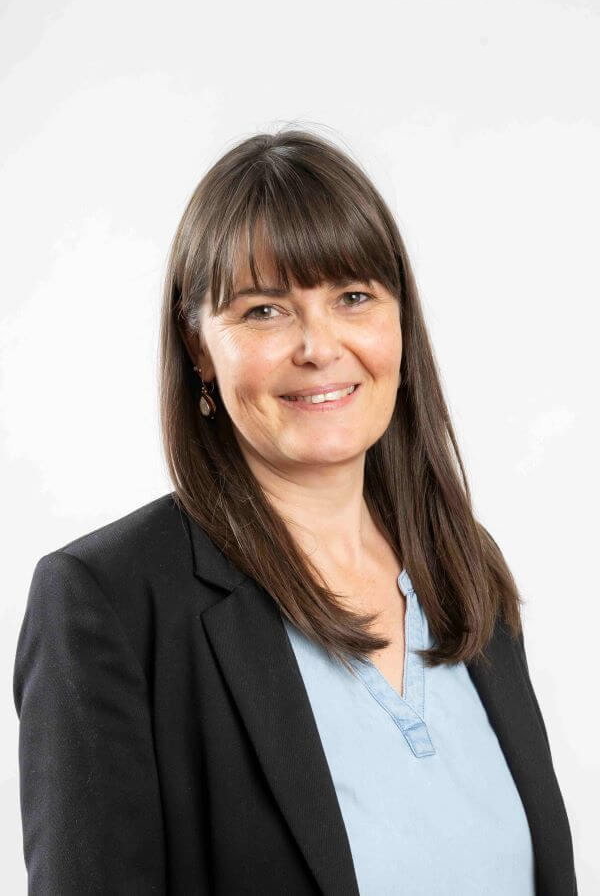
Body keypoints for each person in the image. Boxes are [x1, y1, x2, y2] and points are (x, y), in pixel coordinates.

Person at [13, 128, 577, 895]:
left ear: (400, 320)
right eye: (265, 310)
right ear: (197, 346)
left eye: (353, 297)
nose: (318, 346)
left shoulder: (462, 564)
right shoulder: (108, 602)